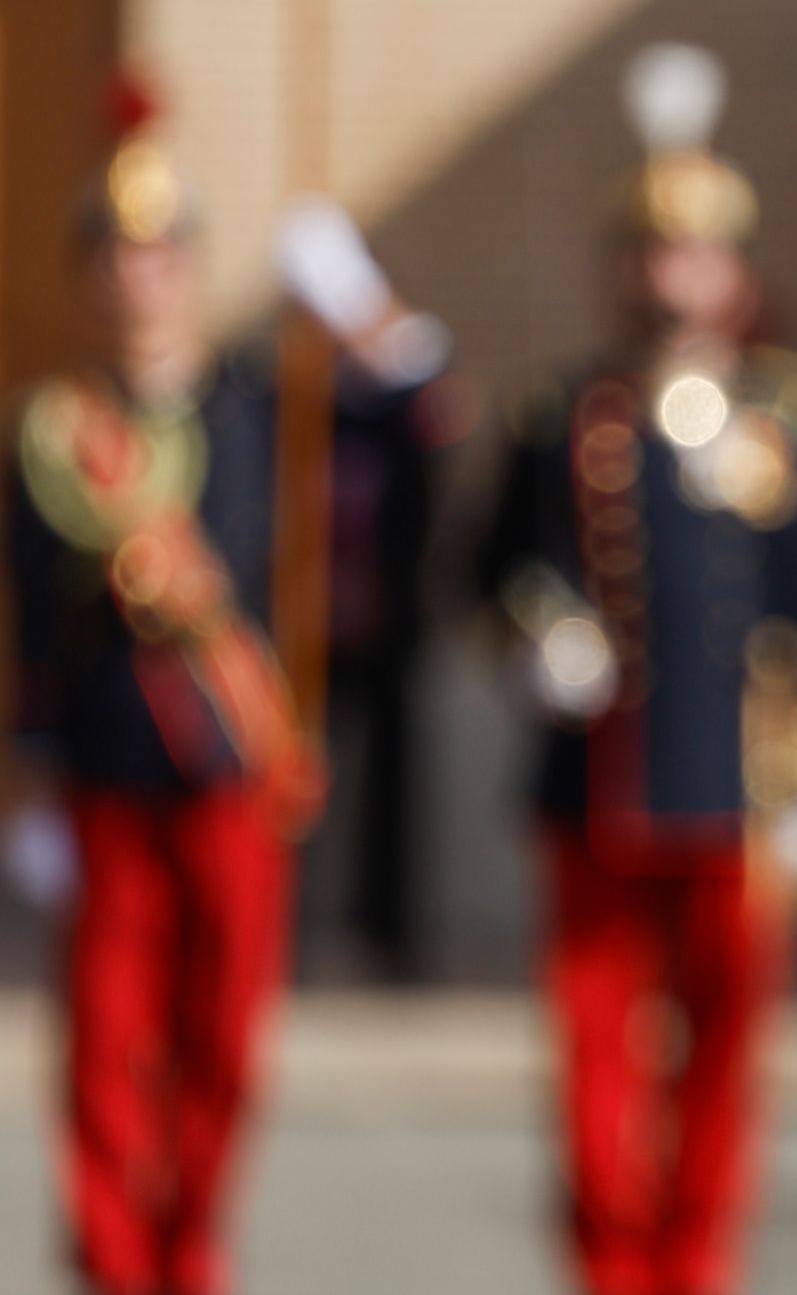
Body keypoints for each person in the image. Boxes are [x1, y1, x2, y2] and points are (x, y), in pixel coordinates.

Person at [4, 80, 446, 1295]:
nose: (136, 277)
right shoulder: (52, 427)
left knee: (219, 1048)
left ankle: (190, 1256)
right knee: (101, 1046)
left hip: (230, 762)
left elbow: (425, 424)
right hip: (101, 769)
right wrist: (32, 777)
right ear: (88, 274)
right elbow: (36, 623)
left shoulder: (264, 402)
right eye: (112, 254)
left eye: (157, 253)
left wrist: (356, 304)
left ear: (189, 267)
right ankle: (110, 1261)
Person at [478, 42, 797, 1295]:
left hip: (741, 785)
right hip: (599, 780)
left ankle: (692, 1267)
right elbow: (490, 568)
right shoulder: (563, 413)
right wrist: (536, 633)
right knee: (593, 1057)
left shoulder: (789, 418)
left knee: (719, 1065)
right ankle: (610, 1271)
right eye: (646, 250)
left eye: (691, 251)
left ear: (731, 270)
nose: (667, 274)